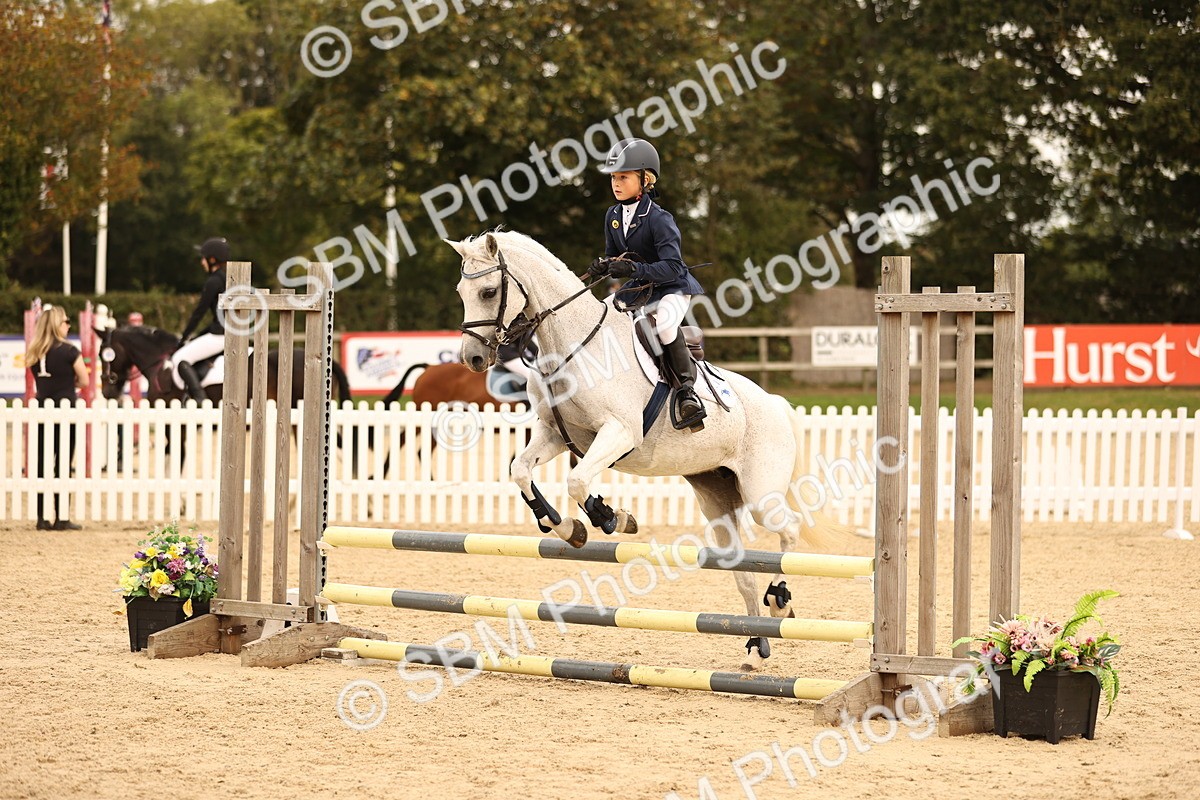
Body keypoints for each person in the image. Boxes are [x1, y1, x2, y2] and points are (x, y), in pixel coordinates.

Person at [592, 138, 706, 429]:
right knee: (600, 316)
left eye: (623, 177)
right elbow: (614, 256)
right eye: (614, 178)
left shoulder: (659, 218)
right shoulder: (612, 215)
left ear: (645, 179)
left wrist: (630, 268)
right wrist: (604, 266)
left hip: (672, 287)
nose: (616, 184)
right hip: (640, 288)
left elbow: (672, 266)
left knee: (665, 325)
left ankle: (686, 391)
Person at [25, 305, 89, 531]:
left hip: (42, 410)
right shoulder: (70, 351)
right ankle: (62, 516)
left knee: (43, 463)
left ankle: (42, 518)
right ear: (56, 324)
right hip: (65, 412)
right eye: (66, 321)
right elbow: (84, 380)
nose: (69, 325)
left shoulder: (34, 352)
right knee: (63, 463)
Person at [173, 237, 230, 401]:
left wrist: (184, 337)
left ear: (212, 260)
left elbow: (199, 312)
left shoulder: (213, 281)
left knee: (180, 359)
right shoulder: (227, 279)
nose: (201, 262)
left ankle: (200, 400)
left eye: (203, 258)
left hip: (220, 335)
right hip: (229, 331)